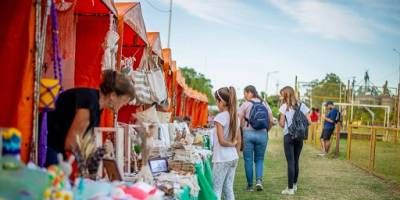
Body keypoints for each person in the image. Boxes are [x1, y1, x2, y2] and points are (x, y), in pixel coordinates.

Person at [45, 69, 135, 166]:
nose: (124, 104)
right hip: (48, 146)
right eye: (124, 100)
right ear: (113, 95)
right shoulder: (90, 103)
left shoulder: (96, 105)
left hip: (55, 147)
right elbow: (71, 144)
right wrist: (99, 152)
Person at [238, 85, 273, 192]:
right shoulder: (265, 104)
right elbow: (271, 121)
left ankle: (249, 186)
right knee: (259, 160)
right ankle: (259, 181)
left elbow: (238, 122)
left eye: (245, 93)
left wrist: (241, 132)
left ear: (250, 92)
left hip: (248, 134)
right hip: (262, 134)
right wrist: (266, 131)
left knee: (248, 160)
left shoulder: (245, 104)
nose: (244, 96)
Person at [278, 86, 310, 195]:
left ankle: (290, 189)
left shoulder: (284, 107)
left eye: (282, 94)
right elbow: (309, 121)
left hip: (288, 136)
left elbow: (282, 124)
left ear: (286, 94)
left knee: (290, 162)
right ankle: (295, 185)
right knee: (296, 161)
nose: (281, 96)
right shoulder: (302, 105)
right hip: (299, 136)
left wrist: (282, 121)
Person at [212, 87, 241, 200]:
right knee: (228, 189)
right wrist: (236, 152)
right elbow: (238, 139)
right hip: (233, 157)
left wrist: (232, 144)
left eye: (216, 101)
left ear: (222, 101)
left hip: (222, 158)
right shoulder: (235, 117)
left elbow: (222, 141)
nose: (216, 104)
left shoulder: (220, 117)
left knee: (216, 189)